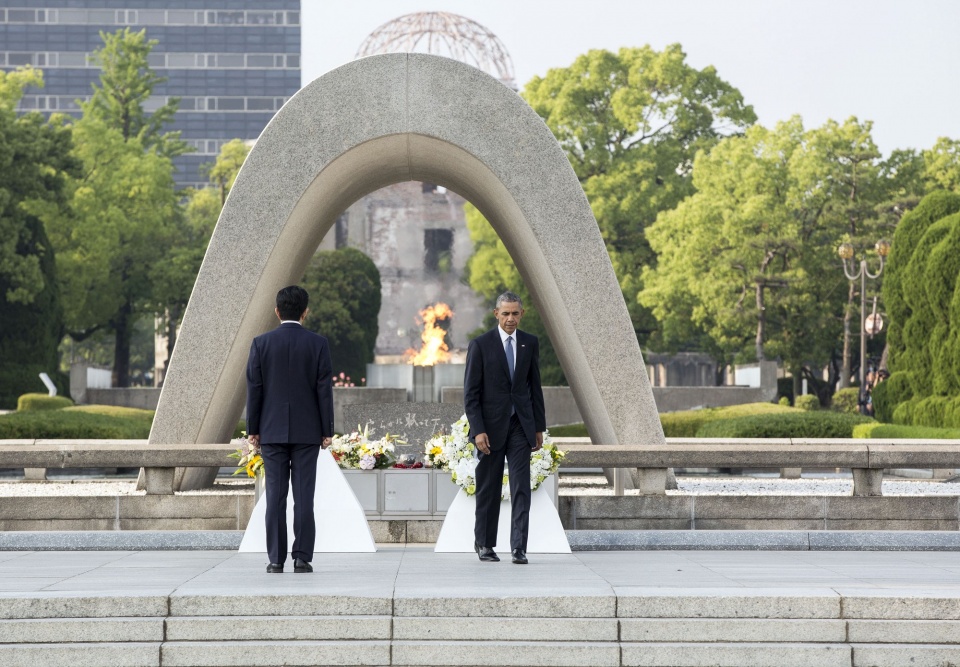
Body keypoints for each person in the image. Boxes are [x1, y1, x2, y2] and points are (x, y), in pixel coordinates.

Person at [246, 285, 334, 573]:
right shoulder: (317, 344)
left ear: (277, 311)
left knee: (275, 496)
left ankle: (275, 559)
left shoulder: (261, 343)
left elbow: (254, 390)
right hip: (308, 432)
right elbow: (323, 391)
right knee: (304, 496)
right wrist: (326, 430)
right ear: (305, 312)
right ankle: (302, 557)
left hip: (270, 432)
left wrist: (253, 429)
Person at [463, 291, 546, 564]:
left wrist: (538, 427)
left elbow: (534, 387)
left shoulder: (529, 343)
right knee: (488, 487)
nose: (510, 319)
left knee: (521, 487)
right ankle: (484, 544)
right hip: (490, 429)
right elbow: (471, 394)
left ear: (522, 314)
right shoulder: (480, 345)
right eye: (506, 313)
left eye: (515, 313)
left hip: (521, 426)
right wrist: (478, 430)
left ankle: (519, 547)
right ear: (496, 314)